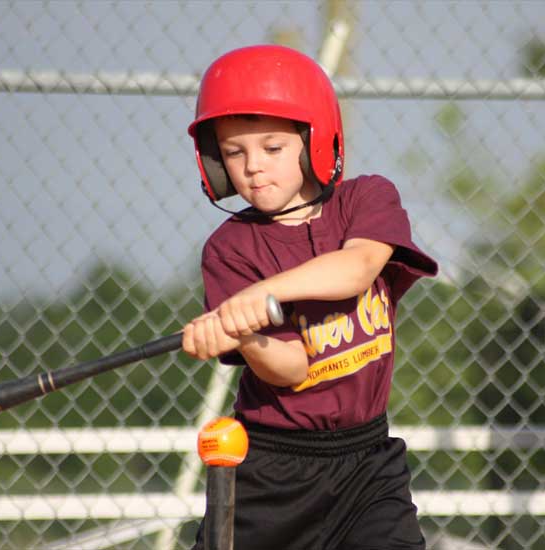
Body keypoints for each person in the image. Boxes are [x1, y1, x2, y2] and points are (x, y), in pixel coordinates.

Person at [181, 45, 438, 550]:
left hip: (368, 464)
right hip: (271, 473)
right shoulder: (230, 248)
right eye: (234, 152)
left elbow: (357, 268)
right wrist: (247, 336)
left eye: (273, 148)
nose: (253, 167)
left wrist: (264, 293)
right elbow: (292, 368)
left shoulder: (365, 201)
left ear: (313, 141)